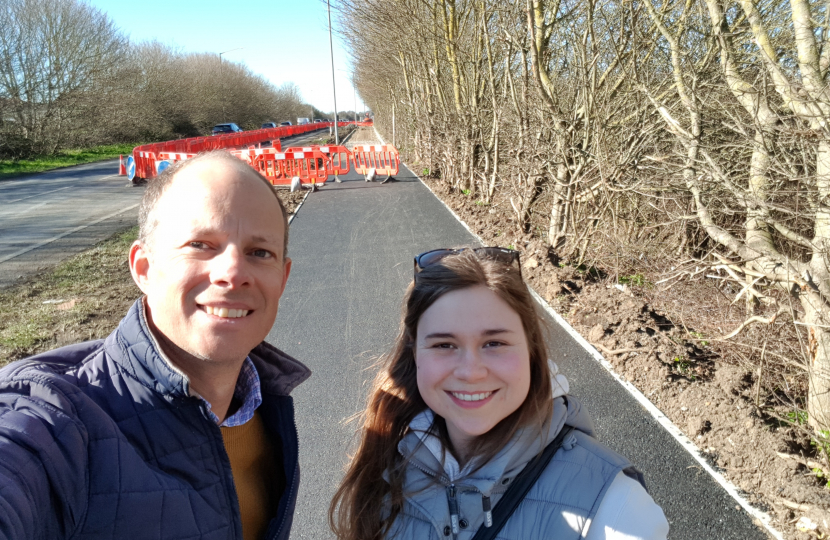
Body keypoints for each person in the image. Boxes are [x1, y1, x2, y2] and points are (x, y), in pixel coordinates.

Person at [0, 151, 310, 540]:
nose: (233, 272)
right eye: (200, 244)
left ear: (282, 279)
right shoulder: (55, 417)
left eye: (259, 252)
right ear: (143, 268)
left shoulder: (269, 409)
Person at [329, 247, 669, 540]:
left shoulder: (617, 509)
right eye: (444, 344)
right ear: (415, 353)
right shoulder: (387, 463)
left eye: (494, 343)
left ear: (532, 351)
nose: (470, 371)